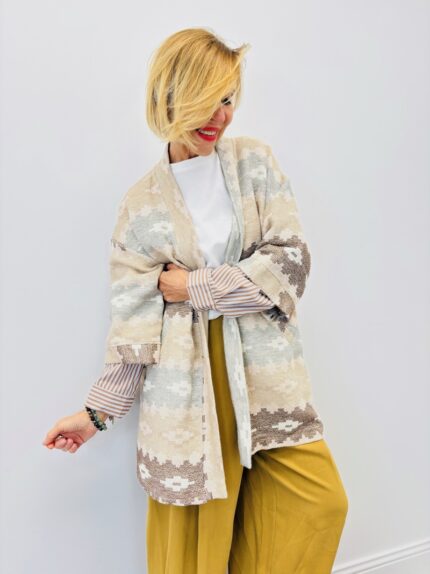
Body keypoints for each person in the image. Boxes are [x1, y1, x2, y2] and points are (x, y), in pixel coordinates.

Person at [43, 27, 348, 573]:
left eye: (228, 99)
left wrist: (192, 287)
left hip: (264, 379)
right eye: (206, 99)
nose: (219, 116)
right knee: (196, 552)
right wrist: (94, 415)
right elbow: (135, 328)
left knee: (319, 502)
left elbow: (289, 266)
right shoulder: (140, 205)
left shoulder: (254, 164)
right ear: (169, 97)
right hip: (188, 391)